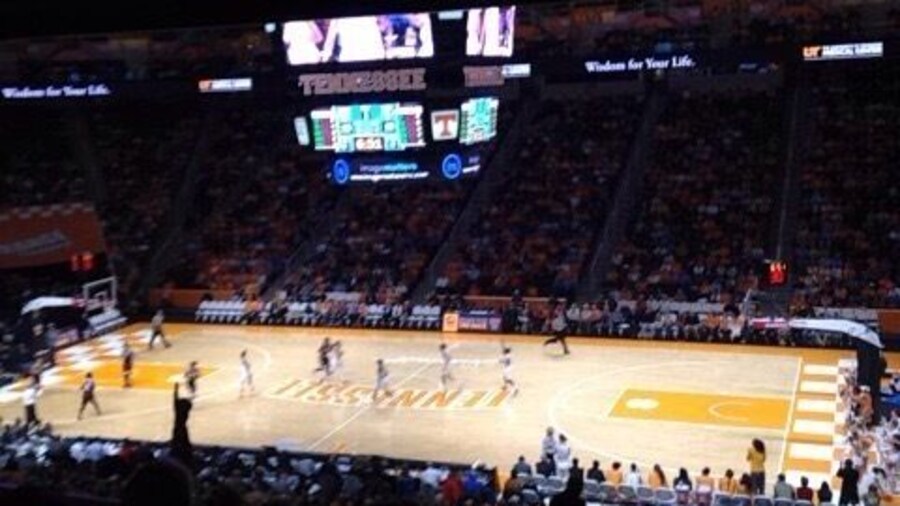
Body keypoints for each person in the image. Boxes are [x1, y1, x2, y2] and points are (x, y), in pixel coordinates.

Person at [171, 382, 193, 466]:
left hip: (177, 428)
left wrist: (176, 389)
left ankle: (175, 454)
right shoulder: (186, 410)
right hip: (182, 428)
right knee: (185, 444)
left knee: (176, 442)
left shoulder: (177, 409)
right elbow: (189, 403)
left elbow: (175, 399)